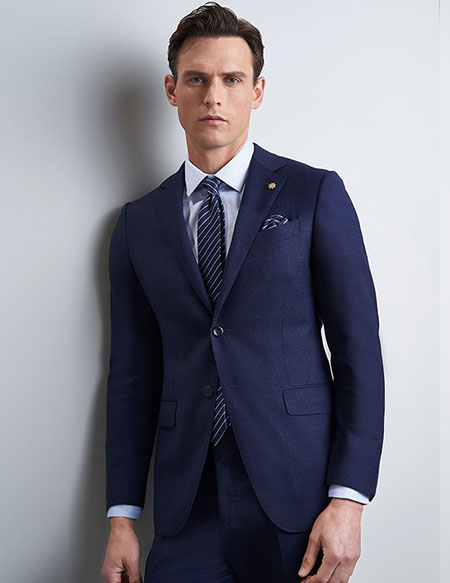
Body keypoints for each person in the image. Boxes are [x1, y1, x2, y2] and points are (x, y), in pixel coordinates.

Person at [100, 3, 385, 582]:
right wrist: (122, 518)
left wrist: (349, 499)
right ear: (171, 90)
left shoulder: (313, 194)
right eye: (196, 79)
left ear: (257, 92)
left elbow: (359, 351)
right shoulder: (138, 223)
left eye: (232, 79)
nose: (213, 96)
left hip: (296, 497)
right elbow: (132, 375)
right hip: (186, 503)